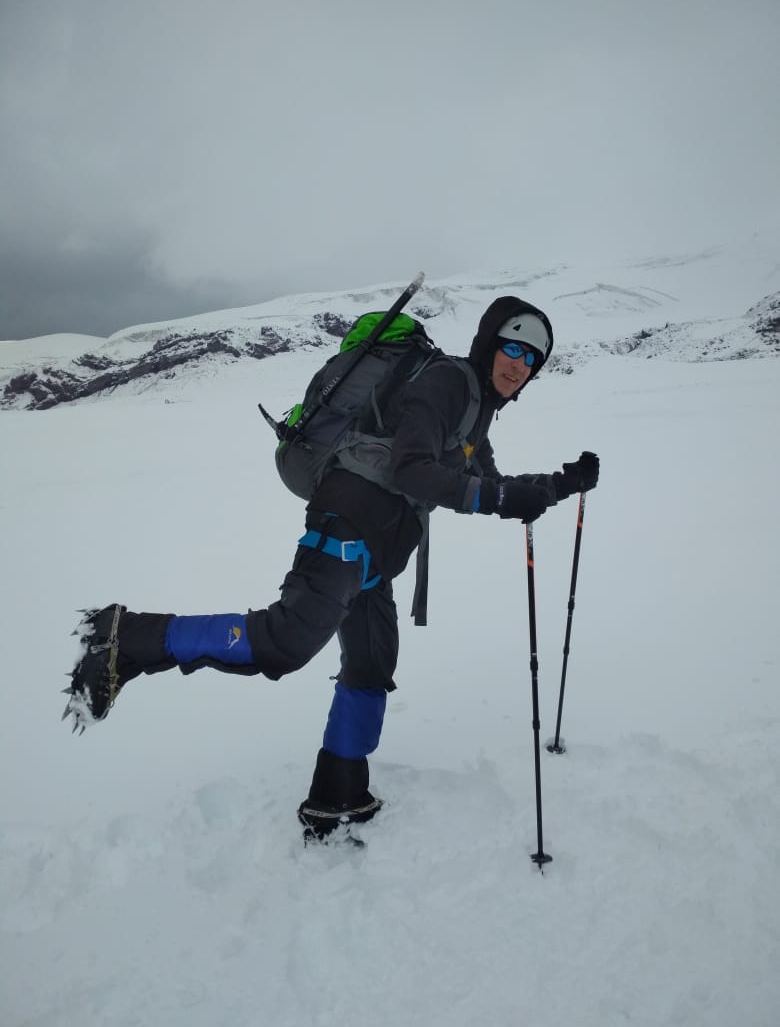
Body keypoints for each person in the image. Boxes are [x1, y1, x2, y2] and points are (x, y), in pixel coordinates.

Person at [63, 295, 599, 841]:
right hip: (349, 522)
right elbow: (412, 470)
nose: (519, 365)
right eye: (512, 348)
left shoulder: (475, 411)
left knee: (370, 663)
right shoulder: (447, 383)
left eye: (532, 359)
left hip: (379, 548)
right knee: (285, 639)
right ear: (489, 344)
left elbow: (490, 484)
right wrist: (497, 499)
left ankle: (338, 796)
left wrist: (560, 484)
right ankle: (125, 636)